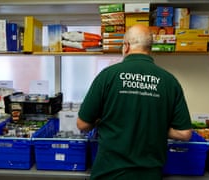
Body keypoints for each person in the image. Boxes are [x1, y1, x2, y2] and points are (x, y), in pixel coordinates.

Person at [77, 24, 193, 180]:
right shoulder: (169, 81)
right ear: (149, 48)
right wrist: (154, 126)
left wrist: (105, 120)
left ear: (126, 46)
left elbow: (82, 124)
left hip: (109, 174)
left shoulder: (107, 75)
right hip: (149, 175)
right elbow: (184, 133)